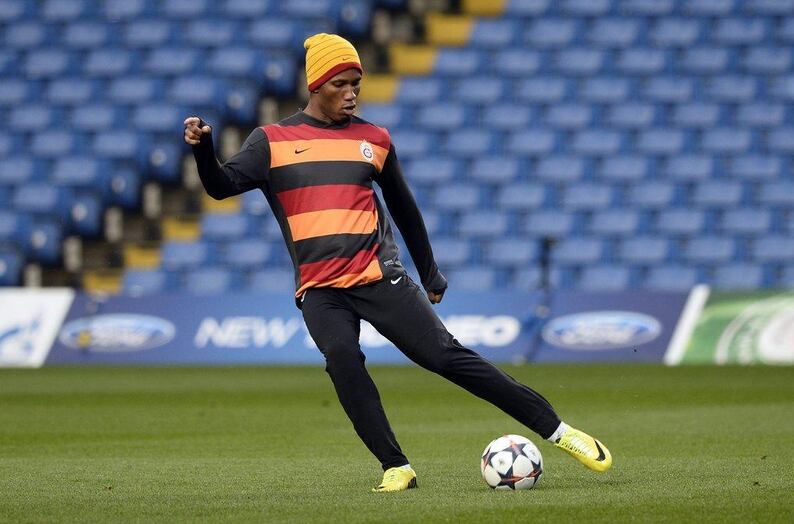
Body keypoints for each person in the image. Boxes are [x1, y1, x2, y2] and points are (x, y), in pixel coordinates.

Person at [184, 33, 612, 492]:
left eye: (356, 85)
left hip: (377, 277)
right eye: (341, 84)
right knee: (343, 359)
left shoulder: (374, 139)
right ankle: (396, 466)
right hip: (321, 290)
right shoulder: (272, 141)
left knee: (447, 357)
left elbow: (405, 208)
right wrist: (203, 150)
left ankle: (561, 432)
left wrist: (429, 271)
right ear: (317, 85)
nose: (351, 93)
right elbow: (220, 186)